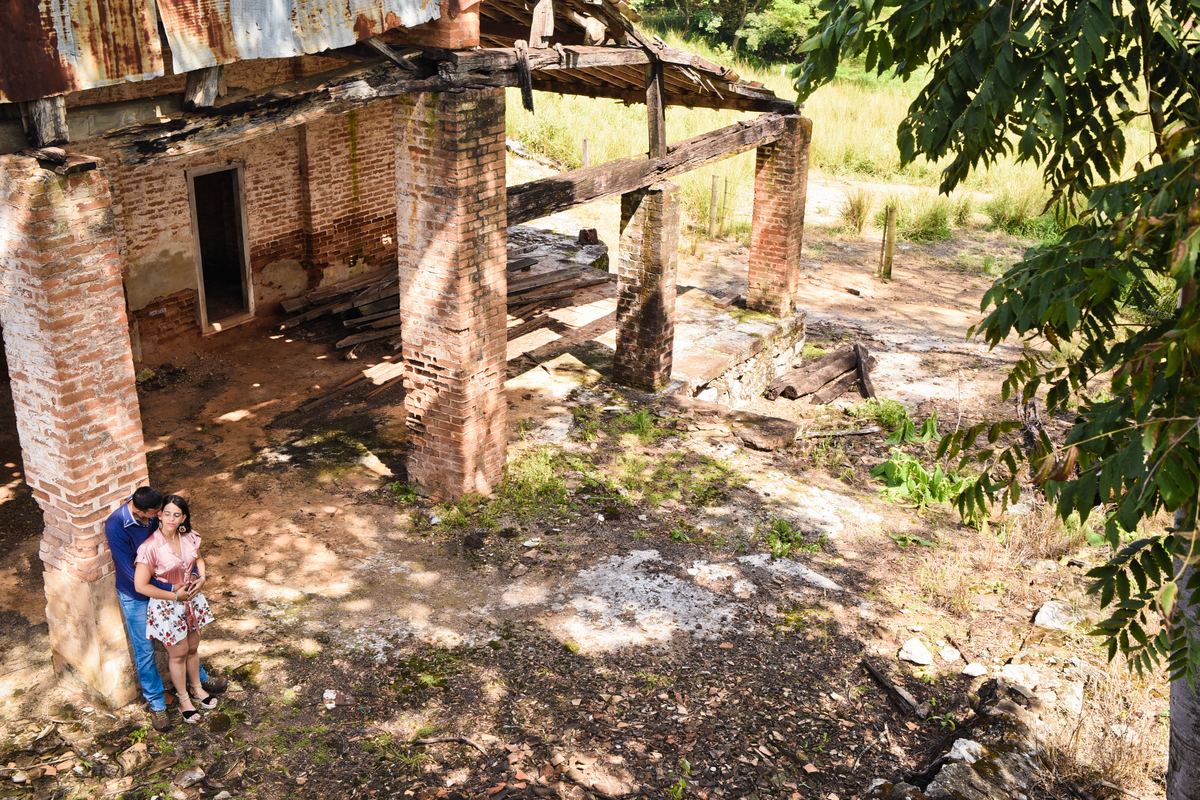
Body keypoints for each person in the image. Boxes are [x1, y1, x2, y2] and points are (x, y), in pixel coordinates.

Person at [105, 487, 226, 731]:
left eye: (171, 513)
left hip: (174, 590)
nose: (162, 516)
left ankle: (199, 683)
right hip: (138, 594)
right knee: (145, 650)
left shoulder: (159, 517)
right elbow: (132, 574)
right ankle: (157, 703)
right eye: (158, 513)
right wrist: (171, 589)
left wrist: (195, 576)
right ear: (141, 511)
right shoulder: (117, 526)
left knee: (189, 645)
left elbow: (187, 555)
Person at [134, 494, 217, 724]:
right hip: (168, 607)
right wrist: (174, 595)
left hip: (192, 601)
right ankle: (184, 700)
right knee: (178, 654)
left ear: (183, 518)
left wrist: (201, 578)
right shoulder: (150, 547)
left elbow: (198, 560)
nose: (171, 518)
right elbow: (140, 585)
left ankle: (197, 689)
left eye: (177, 515)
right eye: (167, 513)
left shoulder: (189, 537)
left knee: (192, 648)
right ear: (160, 515)